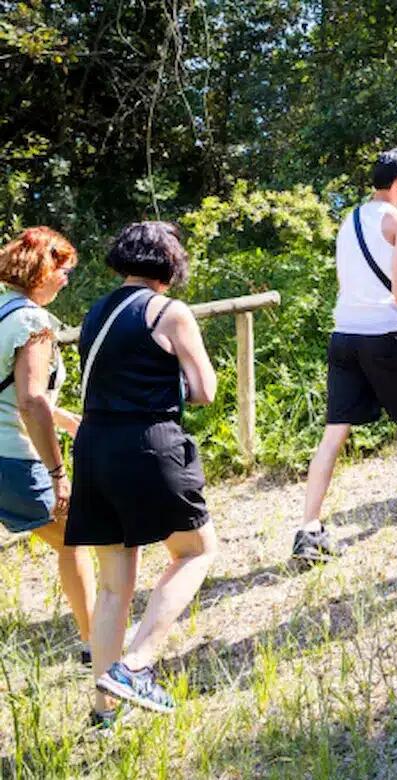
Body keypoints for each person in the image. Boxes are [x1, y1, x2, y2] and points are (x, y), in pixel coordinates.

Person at [65, 221, 219, 723]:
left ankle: (102, 709)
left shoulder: (95, 312)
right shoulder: (170, 312)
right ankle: (136, 664)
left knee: (114, 586)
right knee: (196, 551)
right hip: (148, 445)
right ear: (171, 265)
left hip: (93, 447)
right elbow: (205, 390)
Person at [291, 148, 397, 563]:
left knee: (335, 429)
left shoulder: (348, 221)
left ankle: (309, 528)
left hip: (343, 333)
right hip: (385, 334)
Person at [0, 227, 94, 663]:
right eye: (63, 269)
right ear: (42, 270)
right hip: (12, 457)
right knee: (74, 537)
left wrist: (62, 417)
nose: (67, 279)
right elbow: (30, 399)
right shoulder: (32, 322)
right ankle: (98, 641)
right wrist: (58, 475)